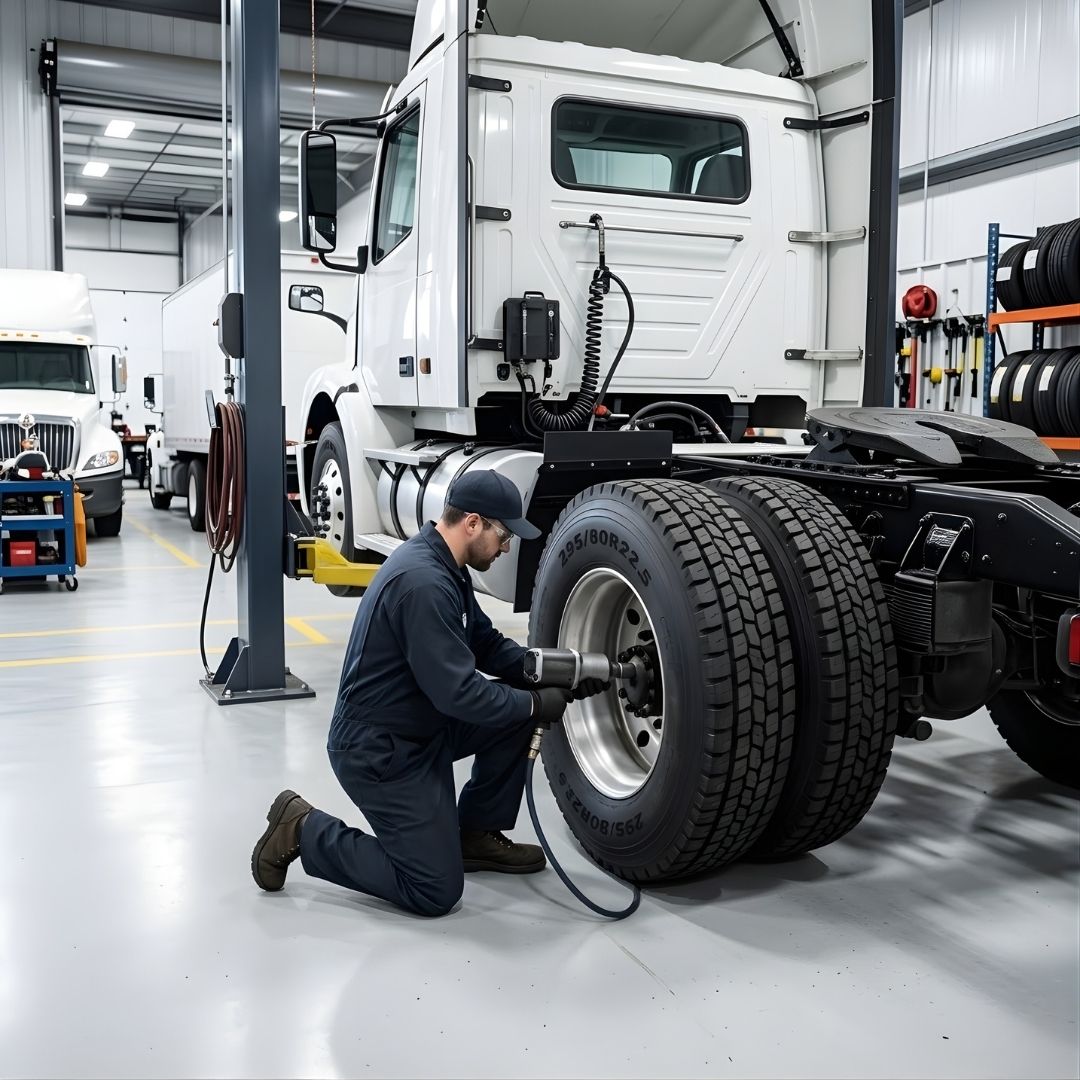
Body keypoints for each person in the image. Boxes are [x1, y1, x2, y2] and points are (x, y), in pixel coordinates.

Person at [251, 469, 605, 917]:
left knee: (518, 710)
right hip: (380, 751)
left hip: (420, 724)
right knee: (434, 888)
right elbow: (460, 695)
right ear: (472, 524)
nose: (508, 546)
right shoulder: (422, 584)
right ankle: (303, 828)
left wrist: (554, 673)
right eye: (503, 534)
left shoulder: (447, 567)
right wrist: (537, 702)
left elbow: (486, 645)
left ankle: (475, 835)